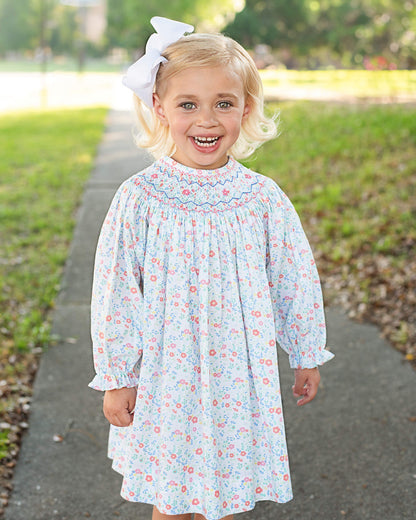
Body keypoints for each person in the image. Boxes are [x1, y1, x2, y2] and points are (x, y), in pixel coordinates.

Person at [89, 16, 334, 520]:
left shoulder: (261, 199)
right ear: (159, 108)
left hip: (235, 373)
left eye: (224, 103)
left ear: (246, 109)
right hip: (166, 373)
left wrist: (306, 351)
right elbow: (116, 292)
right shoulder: (140, 199)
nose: (207, 120)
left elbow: (294, 277)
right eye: (188, 104)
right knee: (173, 497)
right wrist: (117, 375)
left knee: (222, 495)